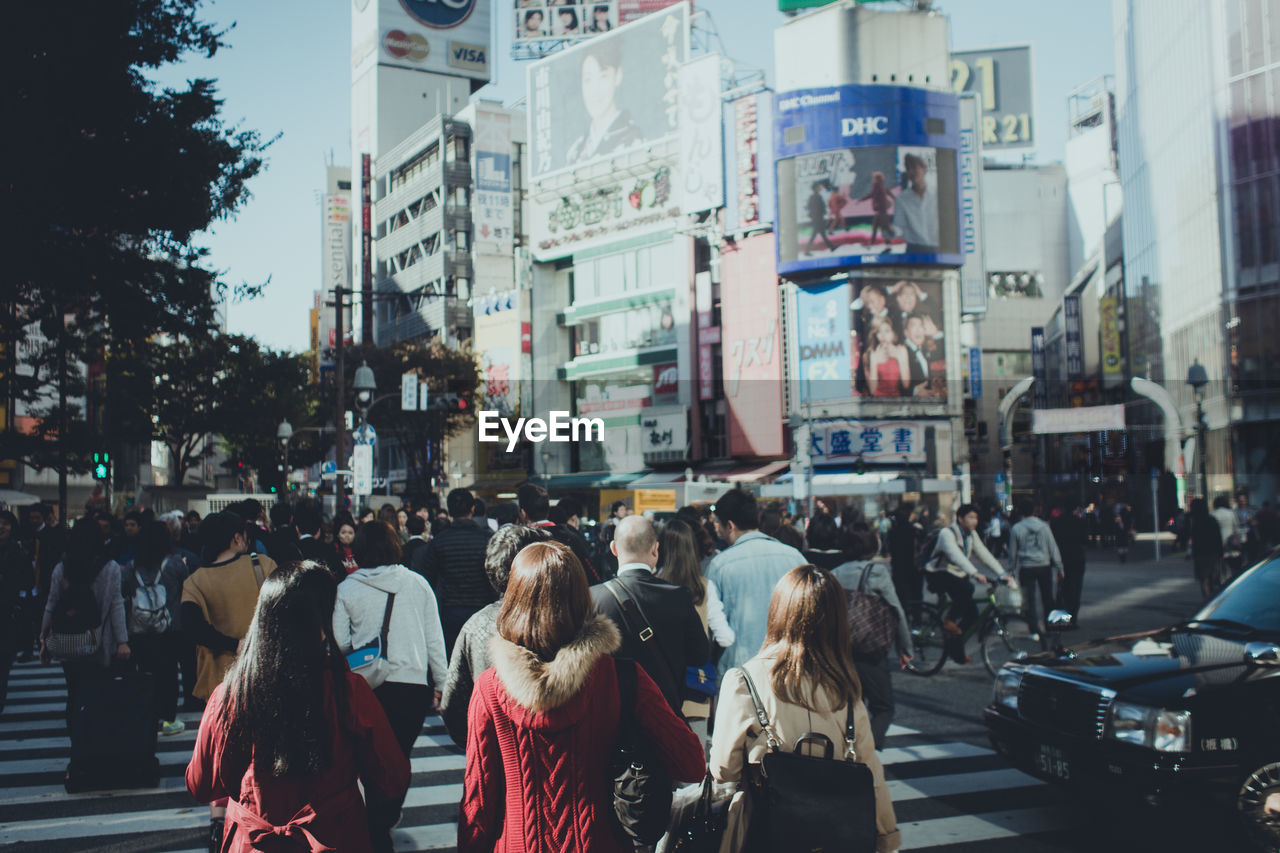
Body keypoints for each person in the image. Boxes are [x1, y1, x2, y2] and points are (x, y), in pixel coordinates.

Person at [457, 541, 705, 852]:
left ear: (514, 601)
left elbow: (478, 805)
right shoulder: (623, 678)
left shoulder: (490, 688)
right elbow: (691, 765)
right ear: (581, 599)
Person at [186, 561, 410, 853]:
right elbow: (392, 778)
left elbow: (201, 785)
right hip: (334, 836)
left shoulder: (231, 694)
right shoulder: (347, 691)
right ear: (319, 625)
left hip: (252, 842)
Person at [709, 565, 900, 852]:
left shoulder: (744, 681)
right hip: (833, 837)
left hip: (762, 831)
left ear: (779, 613)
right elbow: (871, 774)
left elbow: (724, 769)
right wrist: (886, 837)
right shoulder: (847, 689)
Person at [334, 521, 447, 852]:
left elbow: (340, 642)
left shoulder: (346, 588)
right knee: (398, 758)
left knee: (367, 757)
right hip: (412, 686)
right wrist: (441, 681)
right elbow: (433, 639)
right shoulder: (418, 584)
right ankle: (385, 816)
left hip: (364, 687)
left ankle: (373, 820)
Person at [181, 510, 278, 847]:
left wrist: (226, 644)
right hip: (263, 674)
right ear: (238, 538)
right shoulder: (262, 566)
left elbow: (189, 627)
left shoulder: (195, 581)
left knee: (223, 752)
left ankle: (218, 820)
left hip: (217, 684)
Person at [590, 516, 709, 717]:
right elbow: (700, 655)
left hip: (612, 719)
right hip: (666, 716)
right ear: (655, 549)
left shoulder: (593, 598)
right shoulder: (679, 596)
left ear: (614, 549)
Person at [706, 489, 807, 672]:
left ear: (730, 525)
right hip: (788, 666)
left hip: (740, 672)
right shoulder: (795, 558)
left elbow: (711, 620)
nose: (717, 530)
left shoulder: (720, 565)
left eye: (718, 524)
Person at [830, 526, 912, 750]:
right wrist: (905, 647)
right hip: (871, 649)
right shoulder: (876, 572)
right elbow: (896, 609)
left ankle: (850, 750)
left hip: (842, 650)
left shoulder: (834, 574)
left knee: (852, 705)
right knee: (884, 706)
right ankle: (866, 752)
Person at [40, 521, 130, 721]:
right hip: (98, 640)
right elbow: (117, 605)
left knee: (73, 692)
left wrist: (43, 639)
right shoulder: (110, 568)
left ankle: (76, 739)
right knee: (98, 693)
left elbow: (51, 604)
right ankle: (93, 740)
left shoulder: (61, 568)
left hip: (68, 641)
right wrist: (122, 641)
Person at [657, 518, 733, 741]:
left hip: (661, 692)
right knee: (694, 769)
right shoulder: (705, 588)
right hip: (696, 691)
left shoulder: (652, 585)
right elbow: (726, 638)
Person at [122, 521, 189, 736]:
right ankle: (168, 718)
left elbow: (125, 594)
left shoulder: (132, 568)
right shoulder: (175, 564)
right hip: (169, 628)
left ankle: (146, 715)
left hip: (139, 630)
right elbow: (185, 590)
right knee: (168, 674)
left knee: (144, 673)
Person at [925, 503, 1015, 664]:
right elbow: (954, 555)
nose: (975, 521)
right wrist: (974, 573)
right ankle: (949, 620)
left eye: (976, 517)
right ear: (960, 519)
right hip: (937, 573)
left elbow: (984, 554)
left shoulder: (971, 535)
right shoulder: (947, 533)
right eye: (971, 517)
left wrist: (1002, 574)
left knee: (972, 615)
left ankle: (956, 652)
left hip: (957, 574)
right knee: (967, 588)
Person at [413, 488, 493, 655]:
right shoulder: (486, 539)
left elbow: (427, 577)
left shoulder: (440, 541)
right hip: (481, 608)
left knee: (454, 658)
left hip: (450, 610)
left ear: (449, 511)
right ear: (472, 509)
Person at [565, 38, 643, 166]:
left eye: (603, 76)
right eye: (588, 80)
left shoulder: (633, 137)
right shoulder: (575, 151)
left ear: (617, 76)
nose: (595, 90)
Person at [516, 482, 599, 582]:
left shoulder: (520, 541)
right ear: (548, 510)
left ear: (523, 513)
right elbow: (592, 576)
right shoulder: (570, 536)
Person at [1008, 499, 1063, 633]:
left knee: (1029, 600)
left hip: (1026, 567)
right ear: (1034, 510)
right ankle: (1050, 626)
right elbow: (1052, 548)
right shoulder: (1044, 526)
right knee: (1048, 598)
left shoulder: (1016, 528)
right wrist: (1059, 567)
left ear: (1020, 512)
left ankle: (1034, 629)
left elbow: (1012, 552)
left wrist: (1011, 570)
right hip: (1044, 565)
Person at [0, 510, 32, 715]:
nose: (1, 527)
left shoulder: (18, 552)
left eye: (5, 524)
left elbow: (27, 582)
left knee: (3, 660)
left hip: (8, 612)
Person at [1050, 503, 1087, 623]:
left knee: (1063, 588)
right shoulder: (1080, 521)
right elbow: (1085, 539)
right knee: (1075, 588)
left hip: (1062, 557)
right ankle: (1073, 617)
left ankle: (1062, 617)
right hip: (1077, 557)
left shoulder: (1056, 522)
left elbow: (1053, 541)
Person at [893, 152, 938, 252]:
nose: (911, 172)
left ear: (924, 169)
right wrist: (889, 229)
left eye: (914, 168)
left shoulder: (937, 194)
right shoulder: (901, 199)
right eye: (908, 169)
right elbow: (899, 228)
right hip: (914, 250)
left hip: (938, 250)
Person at [294, 501, 344, 581]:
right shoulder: (328, 549)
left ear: (297, 529)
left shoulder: (292, 549)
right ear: (318, 531)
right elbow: (341, 574)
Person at [887, 503, 922, 605]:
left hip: (898, 568)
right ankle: (917, 618)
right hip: (913, 568)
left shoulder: (893, 532)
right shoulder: (914, 530)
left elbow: (891, 550)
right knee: (916, 597)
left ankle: (904, 617)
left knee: (901, 597)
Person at [866, 317, 909, 398]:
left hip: (896, 400)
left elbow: (906, 384)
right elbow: (872, 390)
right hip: (878, 402)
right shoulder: (873, 353)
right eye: (879, 332)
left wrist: (899, 358)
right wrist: (874, 362)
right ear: (876, 335)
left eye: (887, 331)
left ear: (893, 333)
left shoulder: (901, 350)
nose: (883, 335)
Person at [1189, 498, 1223, 600]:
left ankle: (1206, 600)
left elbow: (1193, 540)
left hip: (1200, 555)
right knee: (1213, 579)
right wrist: (1220, 553)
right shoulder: (1212, 520)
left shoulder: (1194, 522)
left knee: (1204, 580)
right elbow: (1218, 538)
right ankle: (1212, 600)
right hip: (1213, 553)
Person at [858, 170, 895, 248]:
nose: (873, 179)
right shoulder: (882, 185)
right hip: (882, 211)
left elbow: (871, 194)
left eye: (874, 177)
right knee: (882, 228)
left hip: (880, 211)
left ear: (876, 178)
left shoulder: (876, 185)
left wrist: (861, 199)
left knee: (882, 228)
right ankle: (885, 244)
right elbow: (888, 193)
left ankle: (874, 244)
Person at [805, 181, 836, 254]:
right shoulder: (814, 197)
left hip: (818, 218)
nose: (820, 188)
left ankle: (831, 247)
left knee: (821, 234)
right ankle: (807, 251)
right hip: (817, 219)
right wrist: (819, 213)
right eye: (818, 187)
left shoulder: (817, 196)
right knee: (817, 234)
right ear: (815, 188)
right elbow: (812, 208)